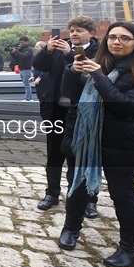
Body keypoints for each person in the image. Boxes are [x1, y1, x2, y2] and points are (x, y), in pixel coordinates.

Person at [57, 21, 134, 267]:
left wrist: (99, 77)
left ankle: (130, 249)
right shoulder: (97, 63)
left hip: (120, 141)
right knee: (77, 186)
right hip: (84, 137)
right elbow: (69, 94)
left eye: (125, 38)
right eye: (112, 37)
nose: (116, 42)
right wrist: (73, 71)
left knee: (123, 195)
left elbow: (127, 106)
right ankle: (71, 229)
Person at [32, 16, 100, 216]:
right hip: (57, 110)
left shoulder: (98, 51)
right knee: (54, 155)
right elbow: (39, 65)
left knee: (83, 157)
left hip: (84, 114)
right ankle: (52, 193)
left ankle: (88, 199)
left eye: (79, 30)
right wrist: (47, 50)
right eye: (72, 31)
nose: (74, 34)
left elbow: (88, 71)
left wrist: (70, 54)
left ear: (91, 33)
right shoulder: (59, 48)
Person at [10, 36, 35, 101]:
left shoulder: (29, 49)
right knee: (25, 84)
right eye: (20, 42)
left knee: (27, 84)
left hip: (27, 69)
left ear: (27, 42)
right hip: (21, 69)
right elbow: (16, 57)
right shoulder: (20, 49)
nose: (21, 44)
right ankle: (29, 98)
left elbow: (23, 56)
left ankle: (28, 98)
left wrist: (16, 51)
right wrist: (12, 53)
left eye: (23, 42)